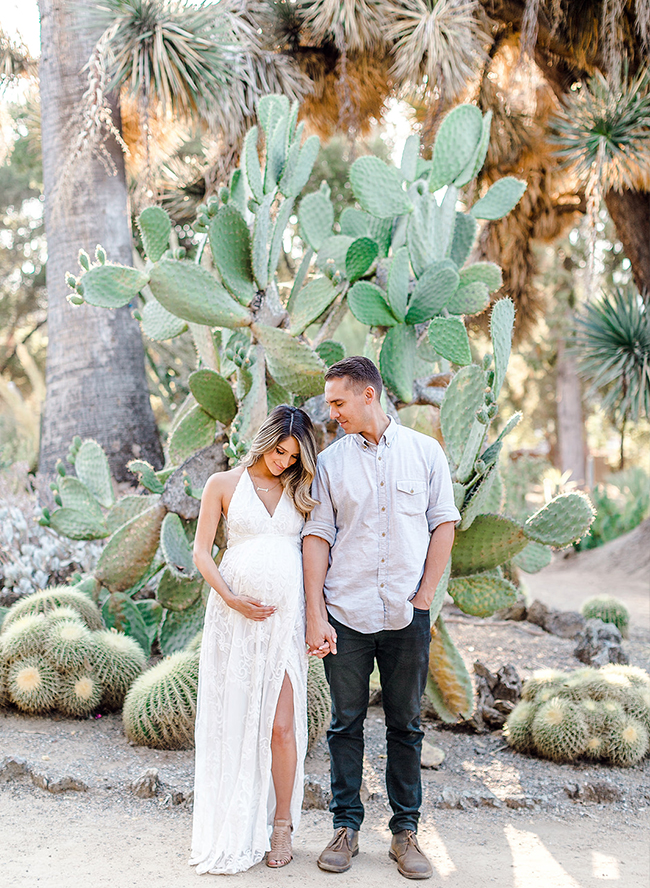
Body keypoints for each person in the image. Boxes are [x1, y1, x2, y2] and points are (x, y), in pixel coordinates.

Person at [302, 356, 460, 880]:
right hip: (346, 612)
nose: (333, 413)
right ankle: (345, 827)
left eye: (339, 402)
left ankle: (405, 833)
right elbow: (318, 537)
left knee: (406, 725)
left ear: (369, 395)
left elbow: (443, 525)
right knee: (344, 724)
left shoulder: (425, 452)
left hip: (405, 613)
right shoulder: (329, 463)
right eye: (330, 405)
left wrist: (424, 598)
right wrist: (316, 612)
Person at [189, 404, 319, 874]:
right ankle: (237, 822)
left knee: (281, 727)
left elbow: (314, 553)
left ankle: (280, 824)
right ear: (263, 440)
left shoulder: (300, 490)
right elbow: (202, 552)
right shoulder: (222, 485)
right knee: (237, 720)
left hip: (284, 622)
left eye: (293, 456)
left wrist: (314, 619)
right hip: (235, 621)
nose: (283, 462)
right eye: (279, 451)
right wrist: (231, 599)